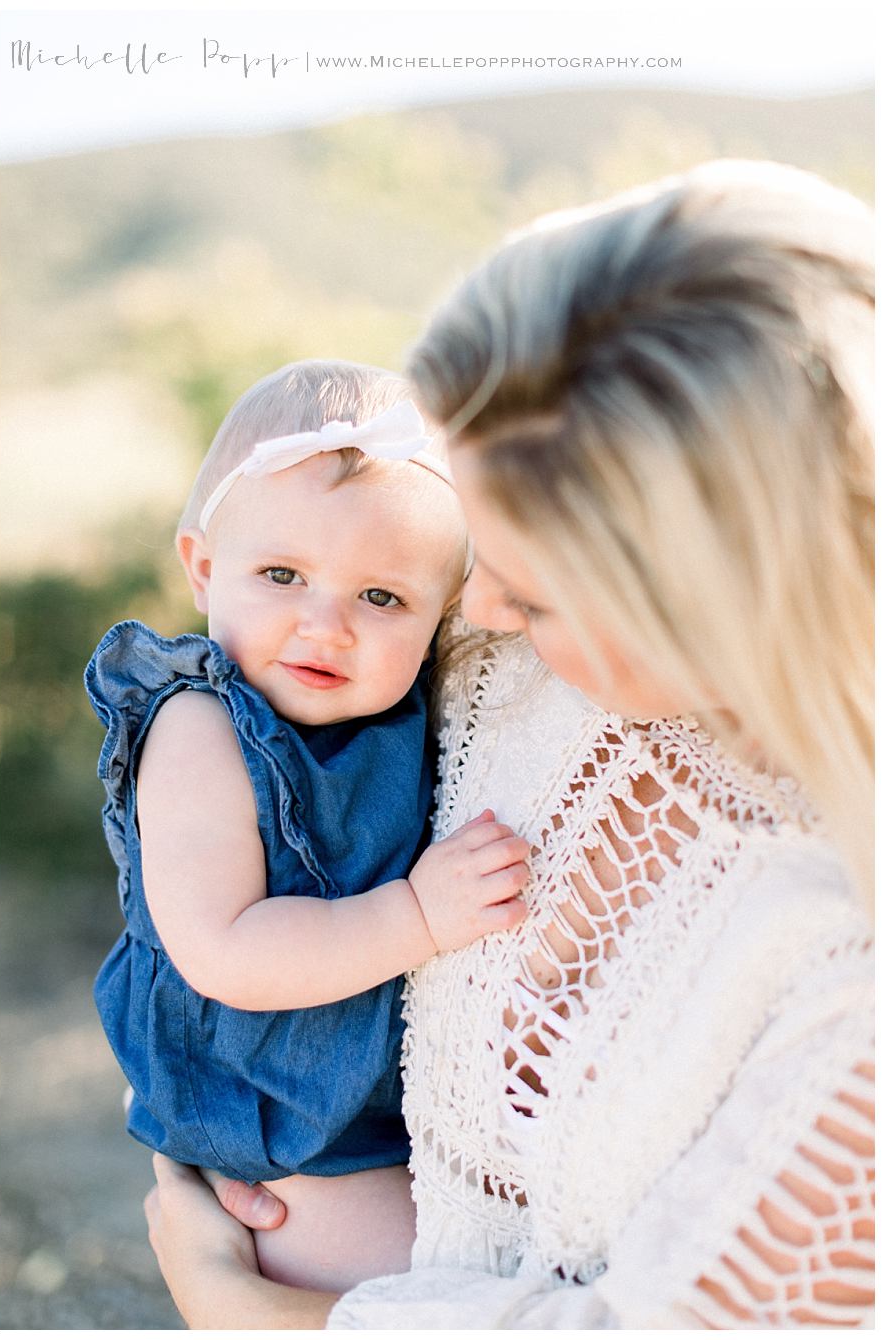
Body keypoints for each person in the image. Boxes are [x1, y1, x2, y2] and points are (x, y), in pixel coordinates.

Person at [143, 161, 874, 1328]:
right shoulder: (511, 677)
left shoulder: (846, 983)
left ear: (715, 601)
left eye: (528, 596)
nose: (474, 621)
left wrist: (238, 1302)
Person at [86, 359, 530, 1294]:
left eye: (383, 598)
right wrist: (418, 917)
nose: (325, 626)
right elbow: (226, 949)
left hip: (363, 1100)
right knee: (429, 1277)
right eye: (282, 574)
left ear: (444, 615)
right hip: (274, 1125)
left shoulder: (399, 712)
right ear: (205, 567)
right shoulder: (199, 728)